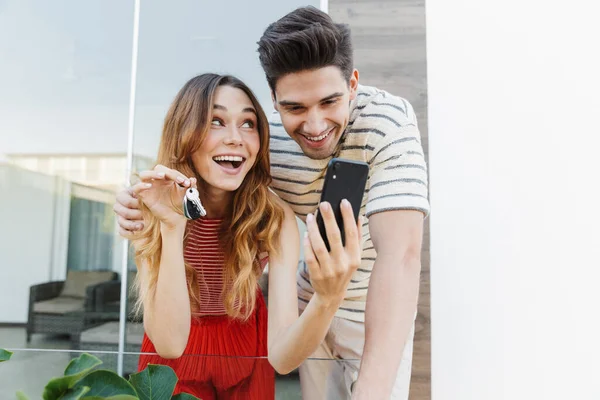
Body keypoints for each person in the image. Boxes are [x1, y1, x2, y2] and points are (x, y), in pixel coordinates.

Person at [115, 6, 429, 400]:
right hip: (301, 301)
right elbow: (171, 343)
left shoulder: (385, 124)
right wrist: (142, 208)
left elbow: (400, 258)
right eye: (295, 107)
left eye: (329, 102)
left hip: (366, 301)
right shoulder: (262, 141)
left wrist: (332, 301)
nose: (314, 127)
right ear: (276, 102)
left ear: (352, 85)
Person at [126, 73, 363, 399]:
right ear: (185, 133)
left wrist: (327, 297)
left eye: (248, 124)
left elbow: (282, 358)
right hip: (174, 348)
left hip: (246, 347)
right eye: (216, 121)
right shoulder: (152, 204)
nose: (236, 138)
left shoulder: (272, 217)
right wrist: (171, 225)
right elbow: (169, 344)